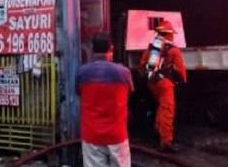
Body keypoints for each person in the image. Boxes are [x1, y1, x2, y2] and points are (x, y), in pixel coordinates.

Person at [76, 33, 134, 167]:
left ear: (92, 49)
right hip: (117, 135)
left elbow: (79, 92)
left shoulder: (82, 72)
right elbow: (130, 90)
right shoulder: (124, 72)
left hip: (92, 136)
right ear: (111, 49)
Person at [138, 21, 187, 153]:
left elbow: (142, 66)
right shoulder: (174, 50)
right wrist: (182, 80)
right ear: (170, 35)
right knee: (167, 110)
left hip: (151, 83)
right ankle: (166, 142)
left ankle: (158, 130)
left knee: (161, 106)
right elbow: (181, 70)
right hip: (165, 84)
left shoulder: (151, 48)